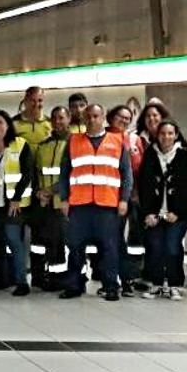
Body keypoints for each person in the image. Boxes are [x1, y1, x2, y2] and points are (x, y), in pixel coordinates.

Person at [59, 104, 131, 302]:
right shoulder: (74, 141)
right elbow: (64, 172)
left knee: (109, 248)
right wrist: (64, 199)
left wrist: (124, 199)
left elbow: (126, 174)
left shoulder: (117, 141)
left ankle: (111, 286)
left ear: (103, 117)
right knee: (75, 247)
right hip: (79, 204)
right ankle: (74, 285)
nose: (92, 120)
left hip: (107, 204)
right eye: (88, 116)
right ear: (84, 118)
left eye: (96, 116)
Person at [137, 119, 187, 299]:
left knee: (172, 248)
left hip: (176, 215)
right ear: (157, 135)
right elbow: (144, 186)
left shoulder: (184, 156)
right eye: (163, 133)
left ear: (176, 135)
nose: (166, 137)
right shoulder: (150, 154)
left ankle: (174, 284)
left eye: (170, 133)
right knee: (155, 248)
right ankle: (156, 284)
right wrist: (147, 213)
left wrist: (178, 213)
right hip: (154, 214)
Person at [0, 110, 35, 295]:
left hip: (14, 204)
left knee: (14, 241)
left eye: (1, 122)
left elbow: (27, 173)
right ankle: (2, 278)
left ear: (8, 125)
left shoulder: (20, 145)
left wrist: (16, 198)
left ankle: (21, 281)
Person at [28, 106, 72, 290]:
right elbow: (36, 173)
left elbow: (72, 174)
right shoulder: (43, 146)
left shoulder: (74, 144)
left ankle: (58, 279)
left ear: (68, 119)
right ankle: (38, 277)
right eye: (54, 118)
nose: (58, 122)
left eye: (61, 118)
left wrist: (52, 191)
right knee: (37, 243)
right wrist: (39, 192)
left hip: (61, 202)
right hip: (42, 203)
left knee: (58, 243)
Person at [110, 105, 148, 294]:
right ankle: (113, 278)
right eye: (120, 116)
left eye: (127, 118)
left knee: (135, 239)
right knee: (114, 238)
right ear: (111, 117)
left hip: (134, 197)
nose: (124, 120)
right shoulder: (105, 138)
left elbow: (142, 168)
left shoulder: (135, 140)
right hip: (111, 197)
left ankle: (131, 278)